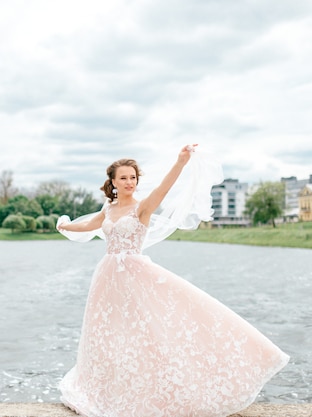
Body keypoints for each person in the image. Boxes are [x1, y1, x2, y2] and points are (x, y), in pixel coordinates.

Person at [56, 145, 289, 417]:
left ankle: (160, 391)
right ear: (113, 182)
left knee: (151, 331)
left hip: (135, 274)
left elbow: (165, 188)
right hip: (107, 277)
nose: (129, 182)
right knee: (109, 335)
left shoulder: (143, 207)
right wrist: (65, 225)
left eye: (133, 177)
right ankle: (107, 391)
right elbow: (89, 226)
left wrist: (180, 163)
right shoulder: (109, 208)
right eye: (123, 178)